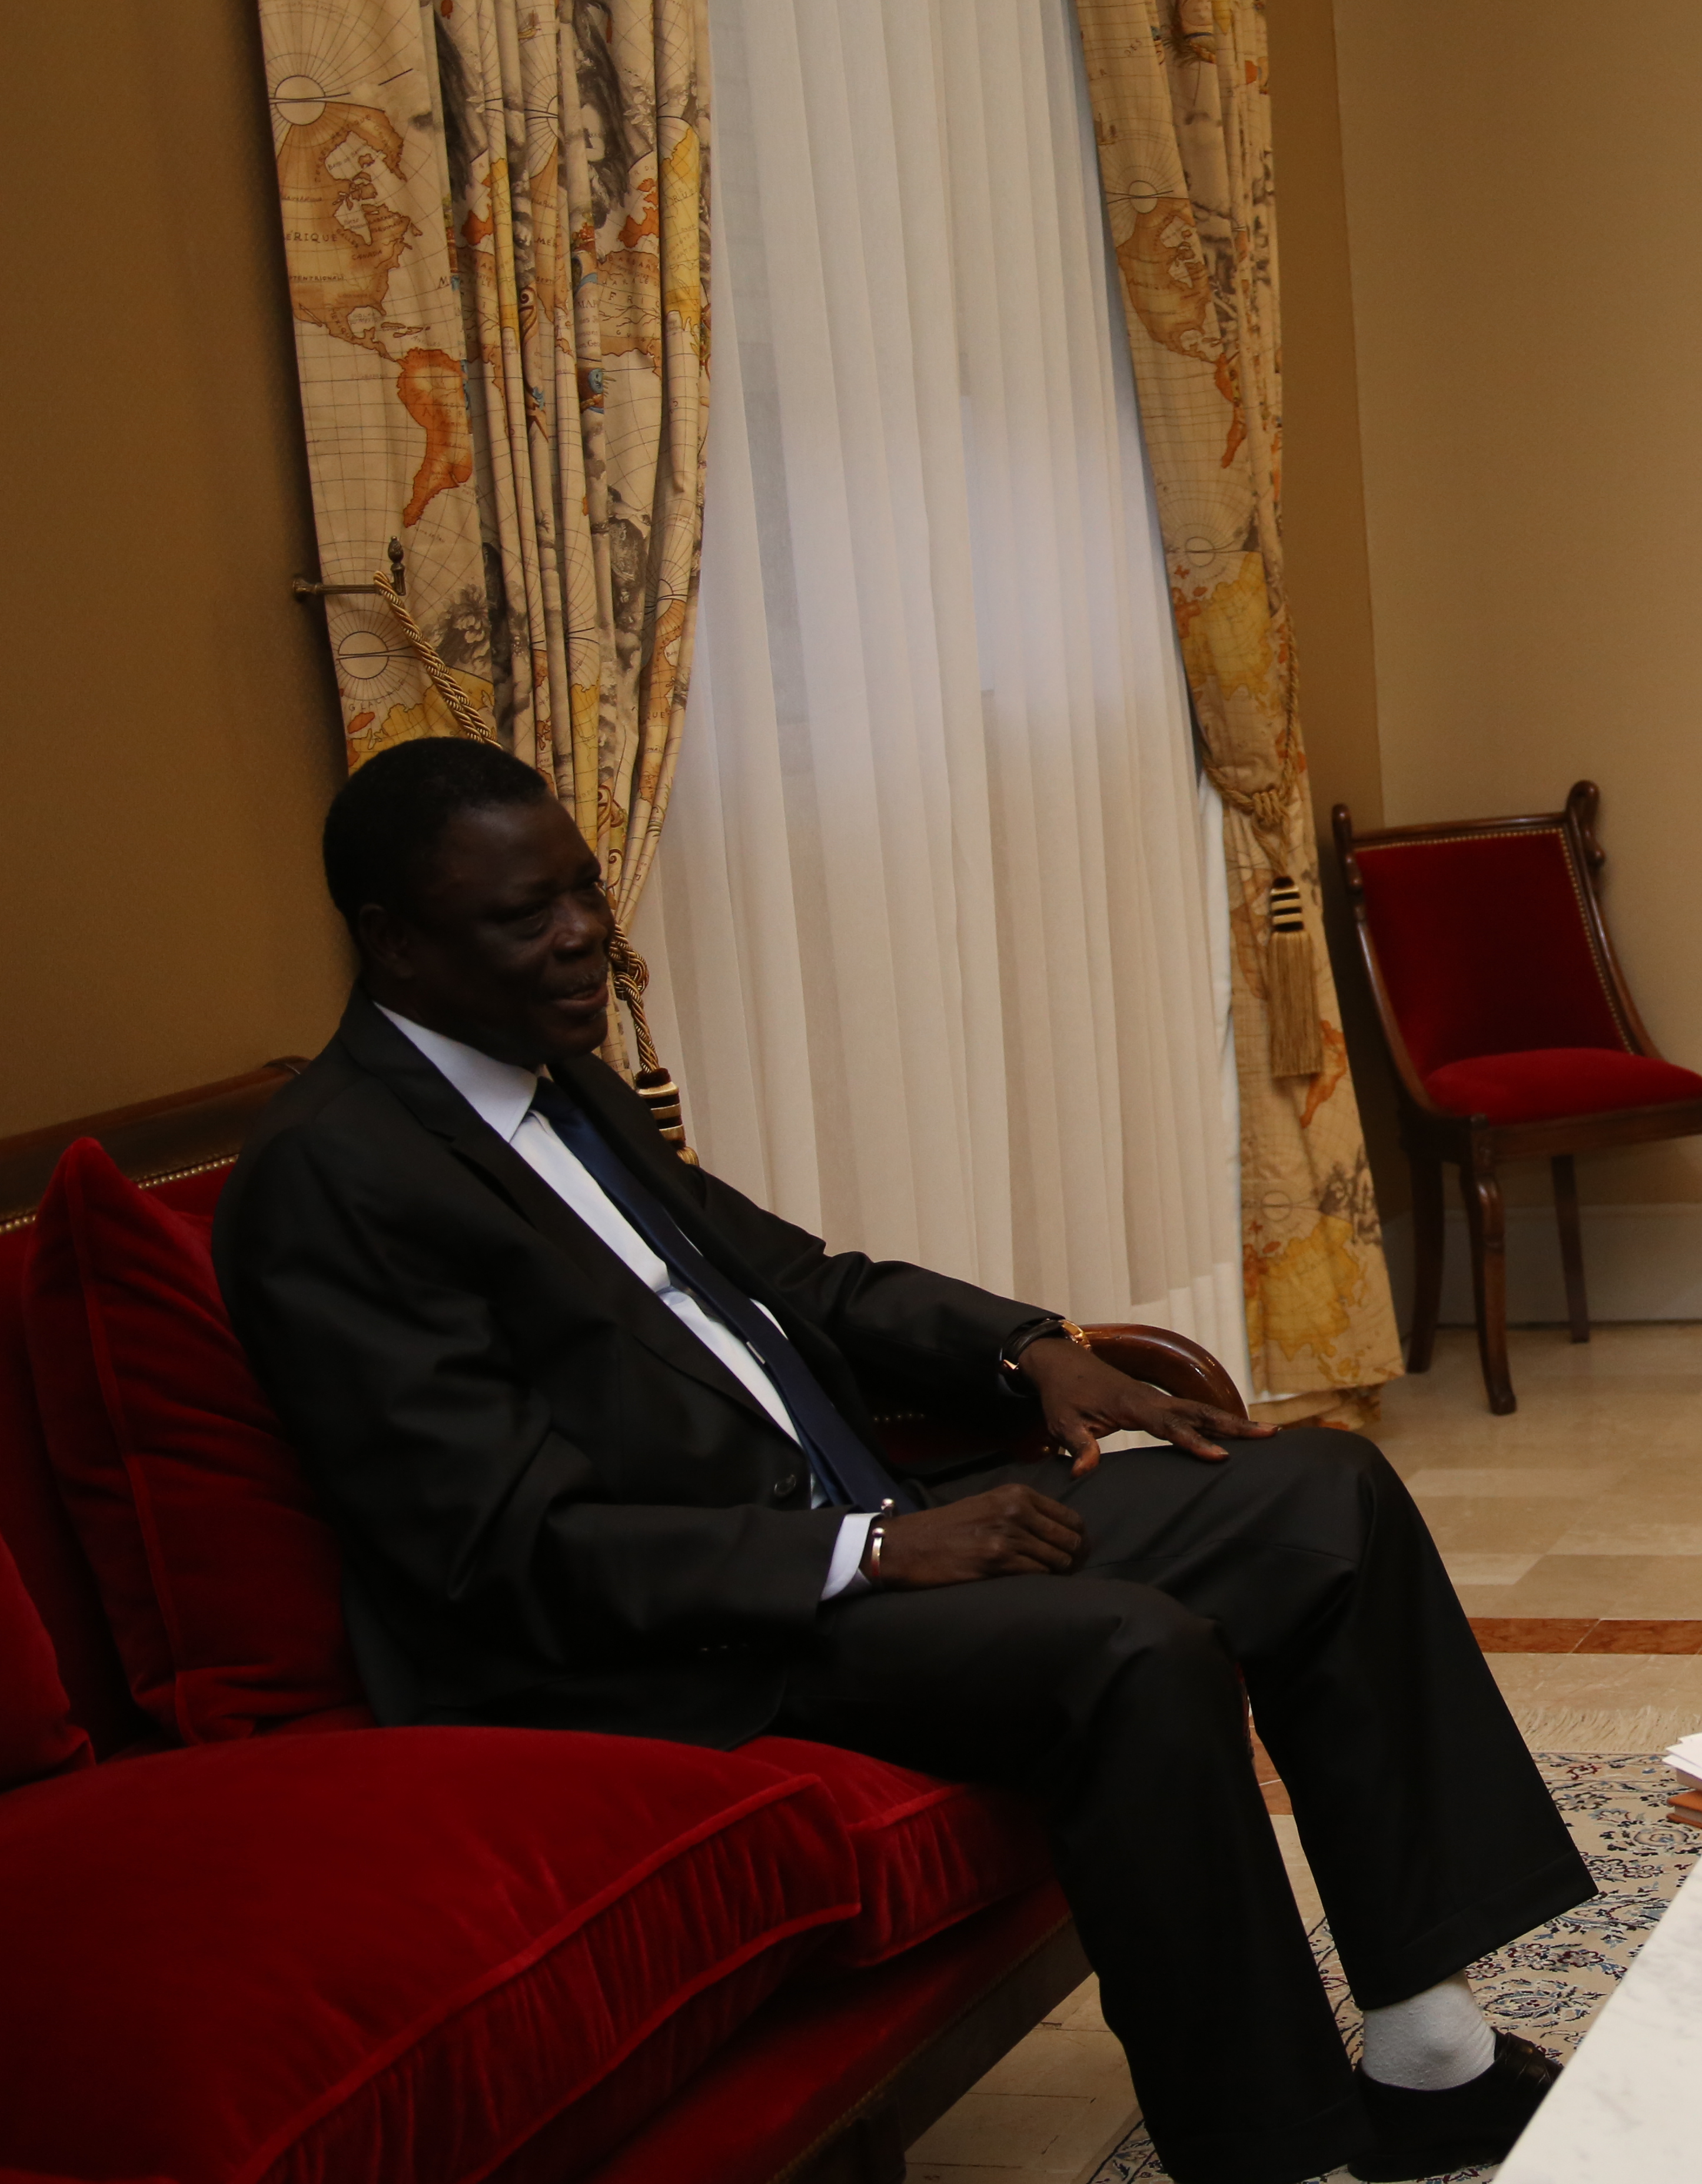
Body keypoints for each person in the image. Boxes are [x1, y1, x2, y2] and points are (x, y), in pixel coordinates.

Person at [215, 739, 1594, 2184]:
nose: (580, 938)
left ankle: (1429, 2063)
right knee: (1132, 1651)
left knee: (1323, 1494)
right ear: (394, 941)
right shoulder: (331, 1177)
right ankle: (1267, 2152)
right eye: (523, 915)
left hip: (848, 1527)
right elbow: (505, 1546)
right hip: (684, 1636)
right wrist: (870, 1551)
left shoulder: (561, 1079)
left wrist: (1034, 1350)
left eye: (583, 892)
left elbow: (798, 1282)